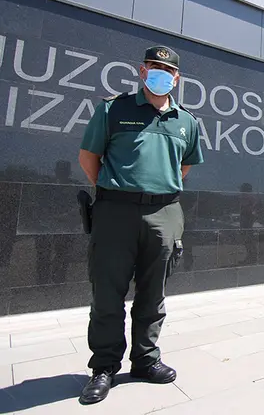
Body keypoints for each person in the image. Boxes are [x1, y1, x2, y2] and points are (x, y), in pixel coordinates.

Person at [77, 45, 204, 404]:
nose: (160, 72)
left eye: (167, 69)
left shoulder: (187, 122)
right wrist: (118, 190)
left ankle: (146, 360)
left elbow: (184, 168)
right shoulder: (113, 108)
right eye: (153, 66)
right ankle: (104, 367)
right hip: (115, 211)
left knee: (153, 294)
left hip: (164, 213)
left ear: (177, 79)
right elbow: (89, 158)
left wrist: (155, 191)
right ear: (142, 71)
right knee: (107, 293)